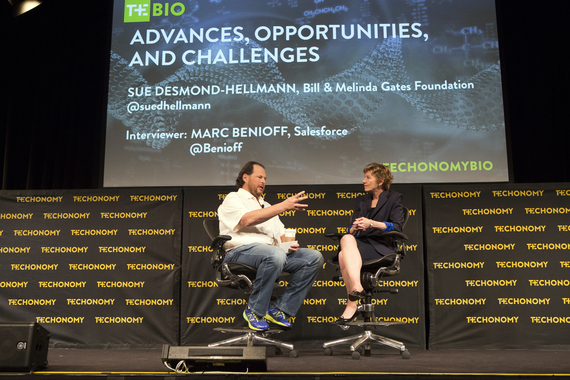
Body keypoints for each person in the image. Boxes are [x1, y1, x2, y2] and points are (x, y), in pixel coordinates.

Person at [217, 161, 324, 331]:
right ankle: (254, 310)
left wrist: (288, 245)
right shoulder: (233, 198)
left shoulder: (266, 206)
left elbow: (281, 235)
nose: (263, 181)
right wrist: (283, 206)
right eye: (259, 177)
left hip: (272, 254)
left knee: (312, 257)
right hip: (239, 253)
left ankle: (280, 309)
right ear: (245, 177)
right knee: (274, 254)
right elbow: (246, 220)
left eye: (265, 178)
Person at [336, 163, 404, 325]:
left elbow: (397, 226)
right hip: (362, 244)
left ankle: (352, 304)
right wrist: (354, 228)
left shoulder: (394, 198)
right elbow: (353, 228)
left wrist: (371, 223)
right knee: (346, 238)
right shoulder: (362, 200)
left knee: (342, 255)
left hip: (382, 247)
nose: (363, 181)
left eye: (368, 178)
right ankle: (357, 288)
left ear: (380, 181)